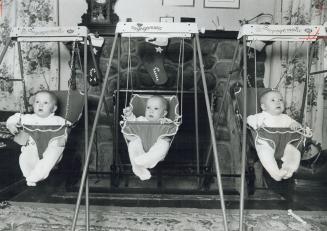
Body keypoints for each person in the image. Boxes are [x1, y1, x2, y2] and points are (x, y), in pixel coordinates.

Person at [6, 90, 71, 186]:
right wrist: (11, 124)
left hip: (52, 145)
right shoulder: (28, 118)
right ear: (33, 105)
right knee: (25, 157)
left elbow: (69, 126)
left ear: (53, 108)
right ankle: (29, 175)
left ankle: (36, 176)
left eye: (45, 103)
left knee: (52, 153)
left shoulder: (59, 121)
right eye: (37, 102)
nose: (40, 105)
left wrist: (68, 129)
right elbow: (15, 117)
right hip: (33, 146)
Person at [247, 90, 302, 181]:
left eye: (280, 100)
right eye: (273, 100)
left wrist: (295, 124)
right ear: (263, 107)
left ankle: (287, 170)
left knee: (294, 153)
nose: (278, 102)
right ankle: (276, 173)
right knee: (265, 154)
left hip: (284, 144)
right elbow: (249, 119)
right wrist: (257, 124)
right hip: (267, 143)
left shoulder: (285, 117)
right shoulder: (261, 116)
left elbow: (295, 124)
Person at [123, 95, 171, 180]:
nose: (151, 111)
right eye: (148, 108)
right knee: (133, 143)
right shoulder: (141, 119)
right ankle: (138, 168)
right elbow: (132, 122)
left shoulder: (163, 122)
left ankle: (142, 161)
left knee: (164, 143)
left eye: (156, 109)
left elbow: (170, 124)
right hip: (141, 149)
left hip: (154, 154)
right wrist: (129, 114)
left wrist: (165, 121)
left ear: (164, 113)